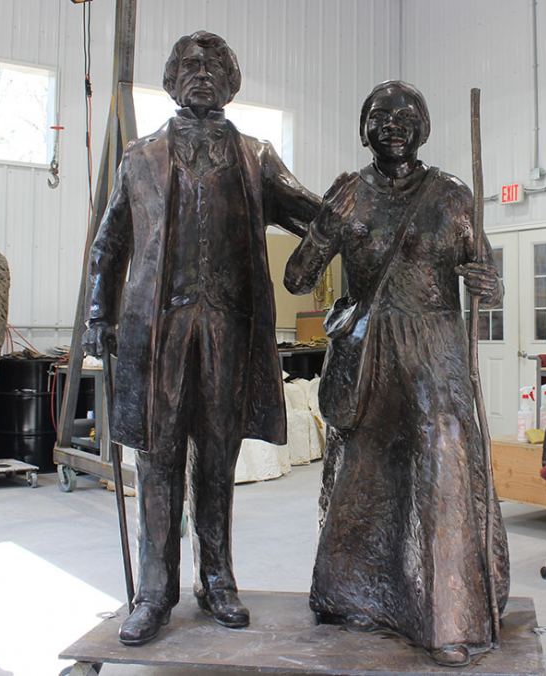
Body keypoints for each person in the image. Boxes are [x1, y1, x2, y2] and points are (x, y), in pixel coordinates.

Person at [82, 31, 320, 646]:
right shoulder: (139, 158)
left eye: (216, 67)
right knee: (158, 460)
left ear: (233, 84)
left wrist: (365, 214)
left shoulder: (256, 156)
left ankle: (217, 579)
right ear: (170, 79)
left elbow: (309, 213)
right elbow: (109, 244)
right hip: (157, 331)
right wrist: (98, 316)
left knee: (217, 457)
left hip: (227, 330)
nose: (203, 75)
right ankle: (153, 592)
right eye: (191, 66)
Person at [285, 81, 510, 668]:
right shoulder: (349, 192)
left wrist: (492, 283)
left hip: (435, 349)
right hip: (366, 351)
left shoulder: (453, 196)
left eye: (405, 115)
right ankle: (353, 597)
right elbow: (297, 278)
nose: (392, 124)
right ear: (364, 129)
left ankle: (449, 619)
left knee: (445, 472)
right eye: (379, 116)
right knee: (363, 474)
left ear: (424, 127)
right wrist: (324, 227)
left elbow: (482, 268)